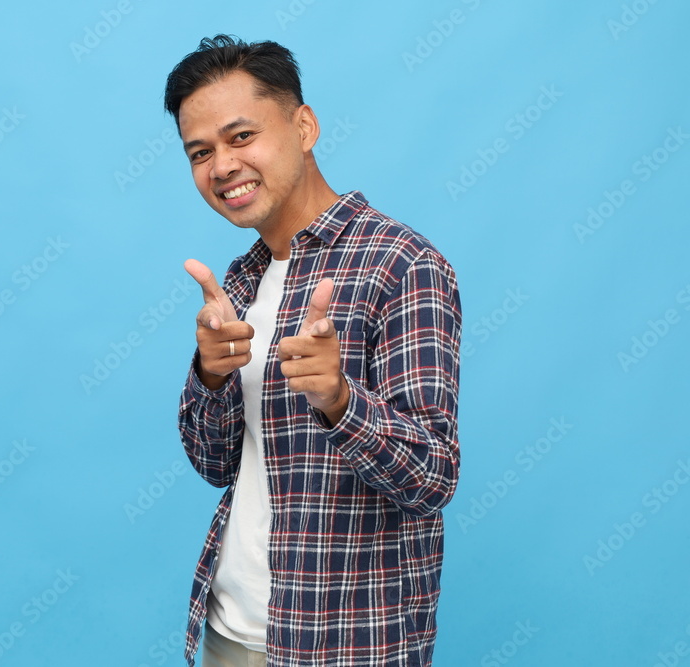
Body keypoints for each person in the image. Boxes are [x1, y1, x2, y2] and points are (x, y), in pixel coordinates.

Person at [165, 35, 462, 667]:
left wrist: (340, 400)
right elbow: (215, 464)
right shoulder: (240, 280)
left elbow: (433, 478)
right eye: (201, 152)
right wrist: (209, 376)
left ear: (304, 127)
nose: (222, 166)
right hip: (228, 633)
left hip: (346, 645)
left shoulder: (402, 265)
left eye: (241, 136)